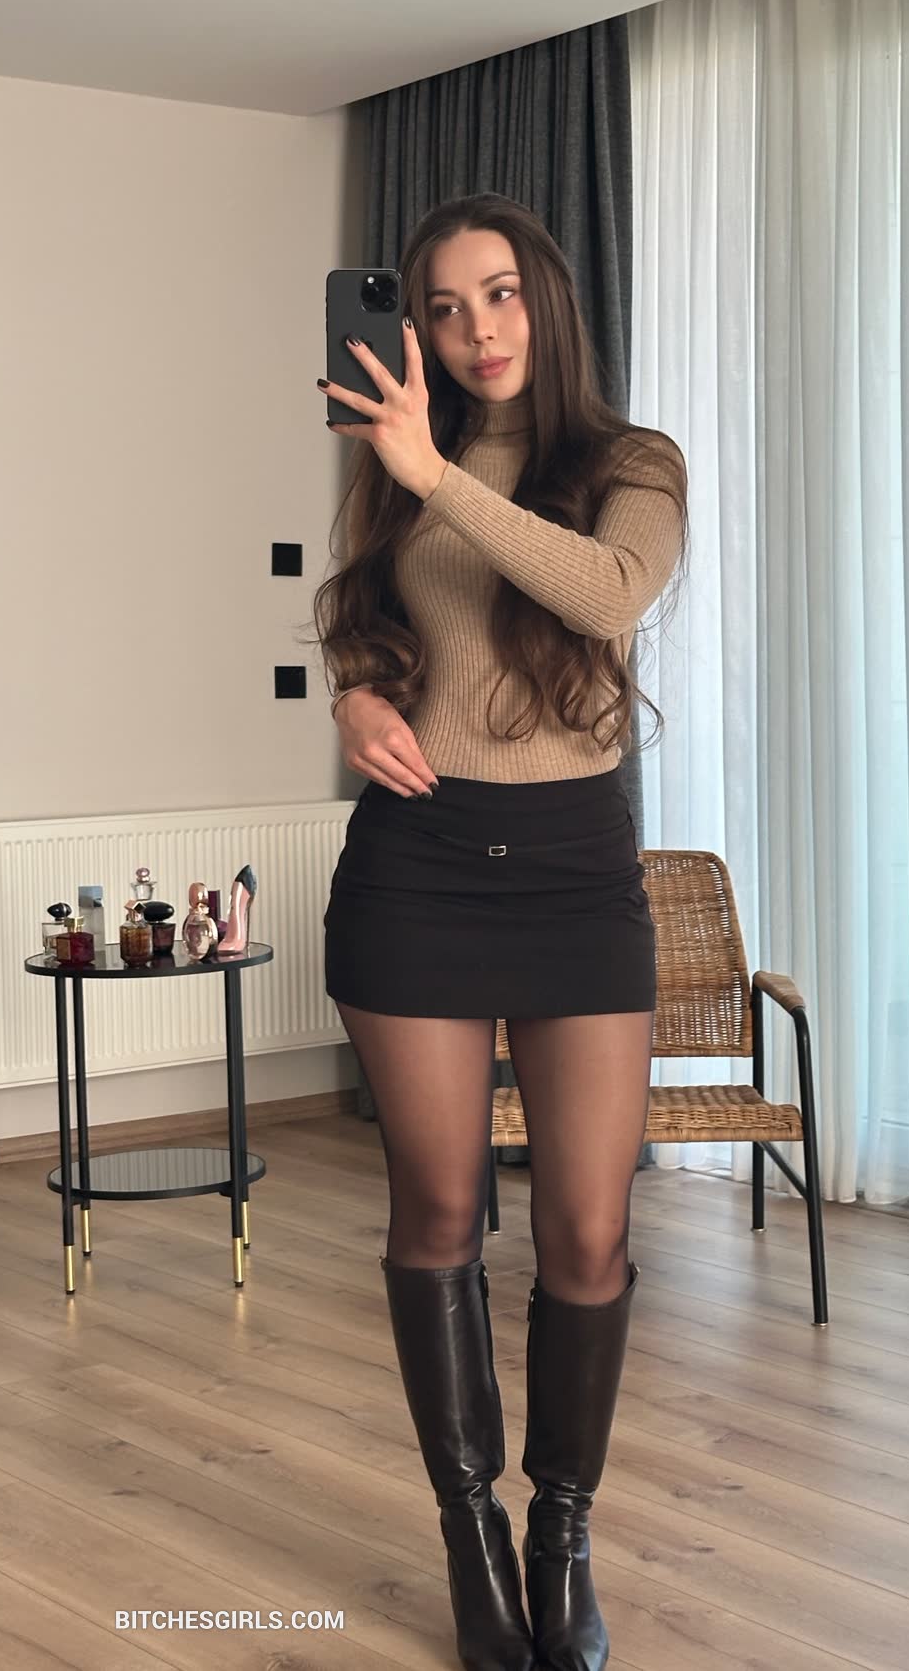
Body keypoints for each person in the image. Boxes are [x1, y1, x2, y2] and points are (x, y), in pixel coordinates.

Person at [315, 192, 688, 1671]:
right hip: (415, 869)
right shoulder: (395, 462)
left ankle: (561, 1533)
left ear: (548, 297)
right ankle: (471, 1537)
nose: (476, 330)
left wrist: (434, 473)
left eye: (501, 294)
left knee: (589, 1229)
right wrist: (355, 695)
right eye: (445, 305)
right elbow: (367, 625)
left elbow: (606, 593)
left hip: (573, 871)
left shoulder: (631, 465)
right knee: (440, 1214)